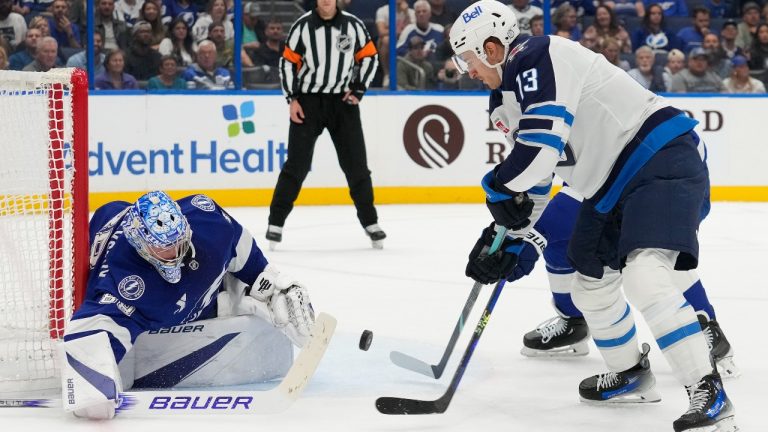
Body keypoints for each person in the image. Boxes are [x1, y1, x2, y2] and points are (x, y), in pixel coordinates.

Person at [450, 2, 735, 431]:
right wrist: (504, 236)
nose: (465, 70)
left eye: (467, 58)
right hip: (610, 187)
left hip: (660, 155)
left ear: (491, 47)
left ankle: (708, 389)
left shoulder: (536, 56)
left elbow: (538, 153)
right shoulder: (504, 100)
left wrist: (496, 188)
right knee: (591, 284)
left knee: (644, 273)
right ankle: (630, 373)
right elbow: (536, 182)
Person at [60, 191, 314, 420]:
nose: (175, 252)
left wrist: (269, 282)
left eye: (178, 241)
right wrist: (92, 385)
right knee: (94, 401)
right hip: (112, 226)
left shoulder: (208, 222)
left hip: (137, 232)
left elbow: (242, 248)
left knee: (246, 285)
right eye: (163, 248)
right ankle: (228, 301)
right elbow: (87, 335)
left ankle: (234, 295)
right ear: (141, 246)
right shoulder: (123, 283)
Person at [504, 186, 739, 380]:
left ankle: (706, 326)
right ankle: (573, 321)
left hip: (663, 171)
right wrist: (519, 228)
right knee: (561, 240)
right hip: (608, 177)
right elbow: (542, 177)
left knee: (657, 248)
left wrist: (537, 234)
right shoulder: (535, 131)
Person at [269, 0, 385, 249]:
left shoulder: (353, 25)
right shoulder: (302, 26)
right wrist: (292, 99)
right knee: (296, 166)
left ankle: (371, 222)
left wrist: (359, 89)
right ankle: (275, 222)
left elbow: (369, 57)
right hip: (309, 103)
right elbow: (287, 62)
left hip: (343, 104)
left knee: (357, 166)